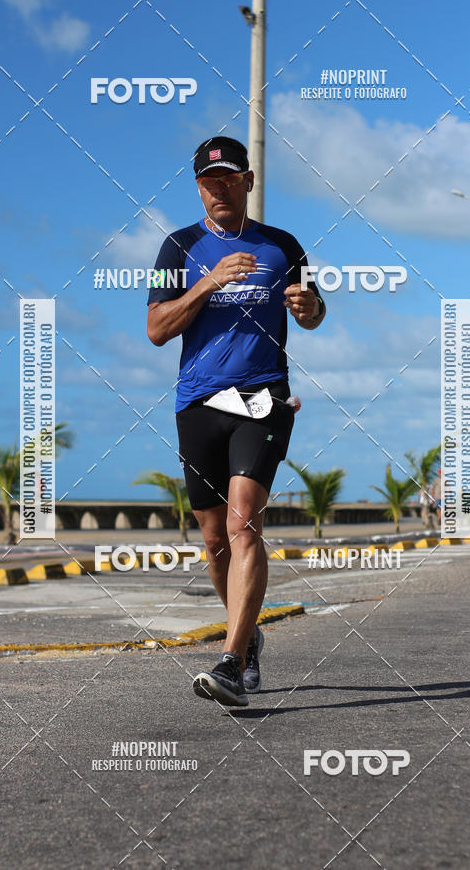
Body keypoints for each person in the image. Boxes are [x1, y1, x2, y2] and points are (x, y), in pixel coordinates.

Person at [146, 136, 325, 707]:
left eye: (227, 179)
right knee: (215, 538)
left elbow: (313, 309)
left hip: (263, 397)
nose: (217, 188)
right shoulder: (180, 246)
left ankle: (228, 660)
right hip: (198, 402)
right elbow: (155, 329)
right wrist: (207, 282)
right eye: (207, 180)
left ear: (248, 182)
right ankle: (248, 643)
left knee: (245, 522)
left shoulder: (283, 245)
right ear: (197, 187)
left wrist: (308, 308)